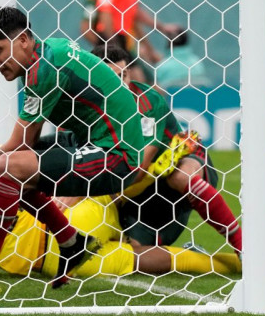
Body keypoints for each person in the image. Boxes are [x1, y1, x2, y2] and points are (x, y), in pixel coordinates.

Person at [0, 114, 265, 296]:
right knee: (109, 176)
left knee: (152, 258)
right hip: (73, 220)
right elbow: (20, 168)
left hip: (53, 265)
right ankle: (166, 155)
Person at [0, 6, 166, 295]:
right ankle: (71, 242)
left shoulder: (44, 70)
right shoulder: (48, 54)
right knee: (12, 171)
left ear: (24, 40)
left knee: (8, 167)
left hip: (118, 157)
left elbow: (17, 144)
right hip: (98, 147)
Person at [90, 44, 242, 253]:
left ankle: (243, 247)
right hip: (142, 194)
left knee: (180, 176)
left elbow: (140, 164)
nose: (120, 84)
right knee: (132, 252)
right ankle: (194, 256)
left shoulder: (147, 102)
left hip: (176, 170)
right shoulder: (85, 107)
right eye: (111, 78)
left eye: (123, 75)